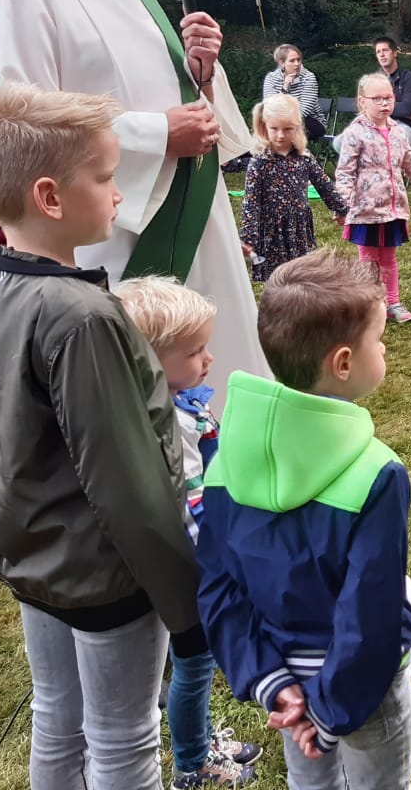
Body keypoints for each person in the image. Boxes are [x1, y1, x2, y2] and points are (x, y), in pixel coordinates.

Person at [0, 82, 204, 790]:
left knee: (58, 719)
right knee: (124, 740)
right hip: (105, 573)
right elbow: (130, 481)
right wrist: (185, 609)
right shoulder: (85, 317)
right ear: (51, 198)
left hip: (33, 553)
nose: (118, 193)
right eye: (104, 176)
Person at [0, 0, 268, 396]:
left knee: (223, 371)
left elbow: (193, 116)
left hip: (197, 217)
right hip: (115, 234)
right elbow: (14, 130)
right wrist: (159, 133)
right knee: (130, 390)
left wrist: (203, 76)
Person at [197, 250, 411, 788]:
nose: (384, 347)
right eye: (378, 338)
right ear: (343, 363)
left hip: (284, 674)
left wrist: (273, 684)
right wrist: (328, 710)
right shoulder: (378, 472)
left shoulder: (224, 459)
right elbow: (371, 610)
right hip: (361, 688)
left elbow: (217, 586)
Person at [114, 277, 263, 788]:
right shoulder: (174, 424)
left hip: (175, 565)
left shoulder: (163, 407)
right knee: (195, 665)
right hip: (191, 568)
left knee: (188, 664)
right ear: (152, 361)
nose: (209, 360)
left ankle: (196, 745)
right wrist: (226, 560)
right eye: (196, 352)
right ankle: (194, 763)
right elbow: (193, 503)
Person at [335, 73, 411, 324]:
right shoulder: (354, 134)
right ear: (362, 102)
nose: (384, 103)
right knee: (369, 260)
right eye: (377, 98)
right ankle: (370, 304)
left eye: (389, 98)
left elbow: (410, 164)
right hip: (365, 211)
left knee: (389, 259)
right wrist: (342, 205)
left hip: (393, 210)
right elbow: (345, 172)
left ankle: (393, 301)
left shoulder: (398, 132)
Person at [240, 96, 347, 281]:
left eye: (287, 129)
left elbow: (324, 185)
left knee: (302, 276)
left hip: (299, 229)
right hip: (272, 231)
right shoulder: (259, 162)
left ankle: (301, 309)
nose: (281, 135)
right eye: (274, 129)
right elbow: (251, 202)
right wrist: (249, 237)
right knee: (276, 279)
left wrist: (342, 209)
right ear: (264, 126)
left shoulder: (304, 157)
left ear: (297, 128)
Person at [263, 44, 327, 142]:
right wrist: (285, 88)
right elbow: (270, 106)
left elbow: (305, 110)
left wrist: (283, 123)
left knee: (289, 130)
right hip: (280, 121)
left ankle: (295, 156)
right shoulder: (271, 78)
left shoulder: (309, 77)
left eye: (298, 60)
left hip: (309, 121)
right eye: (292, 61)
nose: (297, 64)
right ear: (282, 63)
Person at [372, 38, 411, 152]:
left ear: (395, 53)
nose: (382, 55)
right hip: (377, 124)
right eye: (378, 52)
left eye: (385, 50)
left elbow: (407, 108)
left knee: (397, 140)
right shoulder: (374, 80)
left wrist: (377, 107)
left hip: (404, 125)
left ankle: (394, 169)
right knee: (340, 141)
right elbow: (365, 107)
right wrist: (396, 109)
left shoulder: (408, 78)